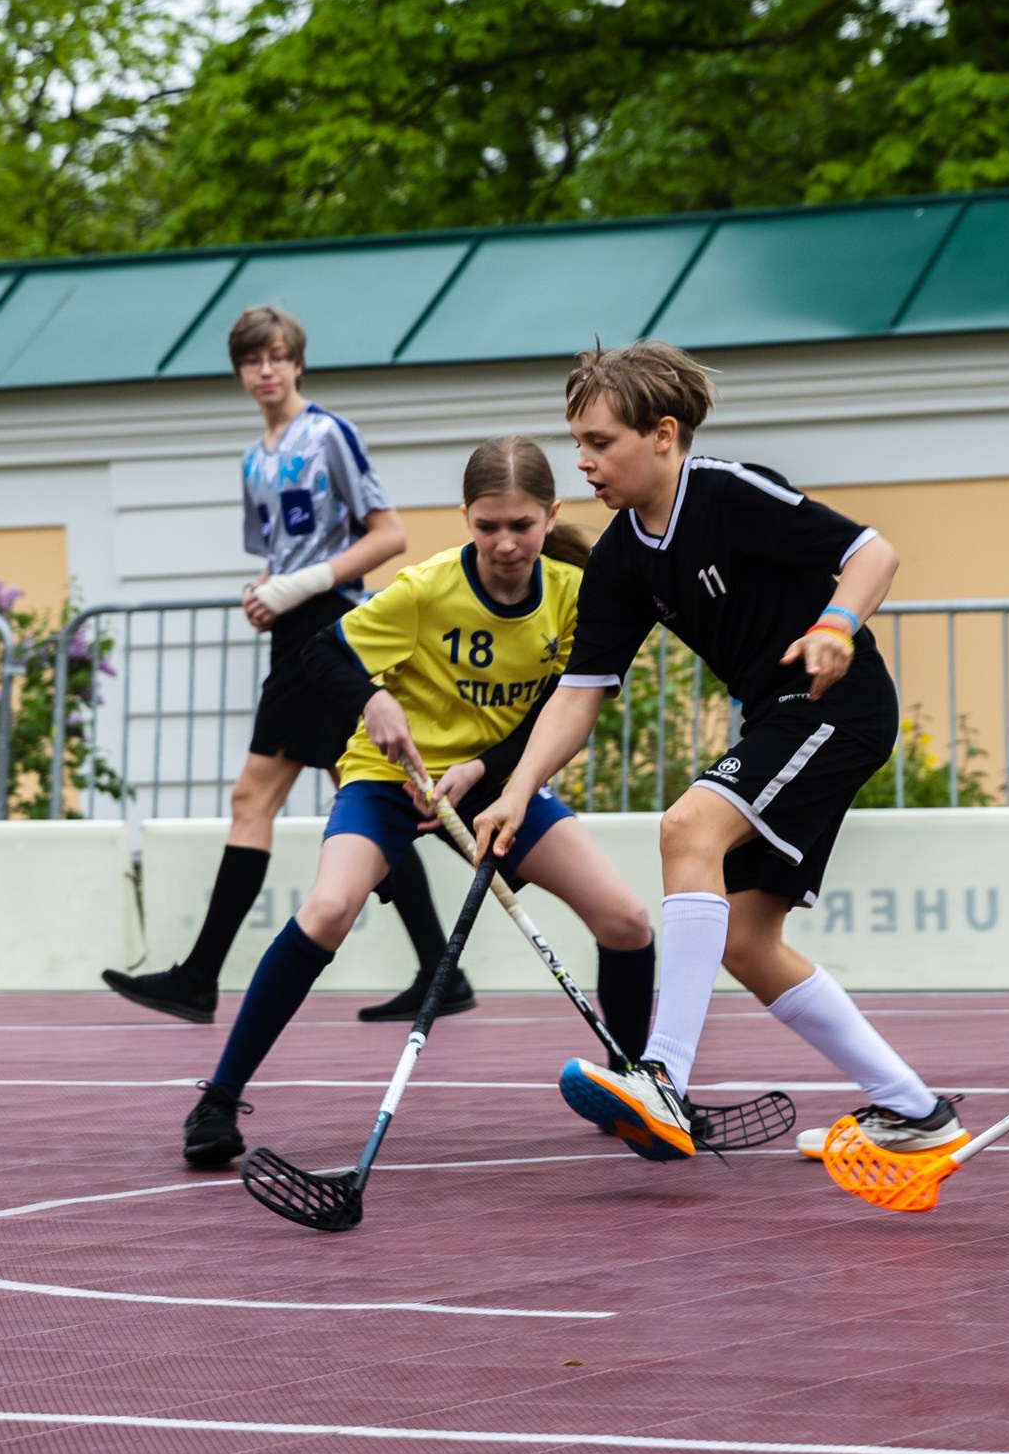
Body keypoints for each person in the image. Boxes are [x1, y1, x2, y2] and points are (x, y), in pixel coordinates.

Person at [472, 341, 963, 1165]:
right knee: (744, 942)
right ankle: (914, 1112)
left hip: (832, 704)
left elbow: (872, 552)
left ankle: (662, 1076)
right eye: (579, 443)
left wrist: (836, 627)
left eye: (601, 443)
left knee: (686, 829)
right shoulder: (623, 558)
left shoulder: (730, 492)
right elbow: (580, 692)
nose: (584, 463)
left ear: (662, 434)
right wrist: (516, 789)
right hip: (779, 719)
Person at [181, 436, 657, 1166]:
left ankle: (633, 1089)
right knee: (328, 909)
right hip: (388, 778)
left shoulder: (572, 596)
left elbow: (560, 716)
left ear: (550, 515)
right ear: (464, 517)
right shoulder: (427, 588)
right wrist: (373, 699)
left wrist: (481, 766)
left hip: (495, 785)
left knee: (625, 919)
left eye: (522, 526)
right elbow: (322, 653)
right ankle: (218, 1098)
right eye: (487, 525)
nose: (504, 543)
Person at [102, 306, 476, 1028]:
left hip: (328, 627)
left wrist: (299, 586)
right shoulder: (253, 457)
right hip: (300, 629)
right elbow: (281, 556)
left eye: (276, 356)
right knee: (367, 792)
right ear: (241, 371)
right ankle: (441, 969)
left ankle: (199, 977)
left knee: (253, 799)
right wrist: (267, 590)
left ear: (296, 361)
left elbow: (388, 535)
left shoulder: (328, 434)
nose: (265, 370)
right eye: (252, 360)